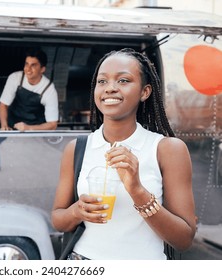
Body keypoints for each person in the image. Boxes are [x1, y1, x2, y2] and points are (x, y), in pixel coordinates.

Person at [51, 48, 196, 259]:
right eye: (102, 81)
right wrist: (77, 211)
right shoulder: (77, 148)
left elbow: (184, 239)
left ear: (145, 92)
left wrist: (137, 190)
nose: (110, 88)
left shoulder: (167, 149)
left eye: (123, 81)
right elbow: (57, 218)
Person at [0, 48, 59, 173]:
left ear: (42, 69)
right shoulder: (15, 78)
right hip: (12, 119)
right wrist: (4, 126)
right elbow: (3, 105)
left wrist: (28, 128)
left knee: (34, 153)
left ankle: (32, 173)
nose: (28, 69)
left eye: (33, 65)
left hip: (35, 124)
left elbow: (52, 125)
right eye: (26, 64)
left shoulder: (49, 89)